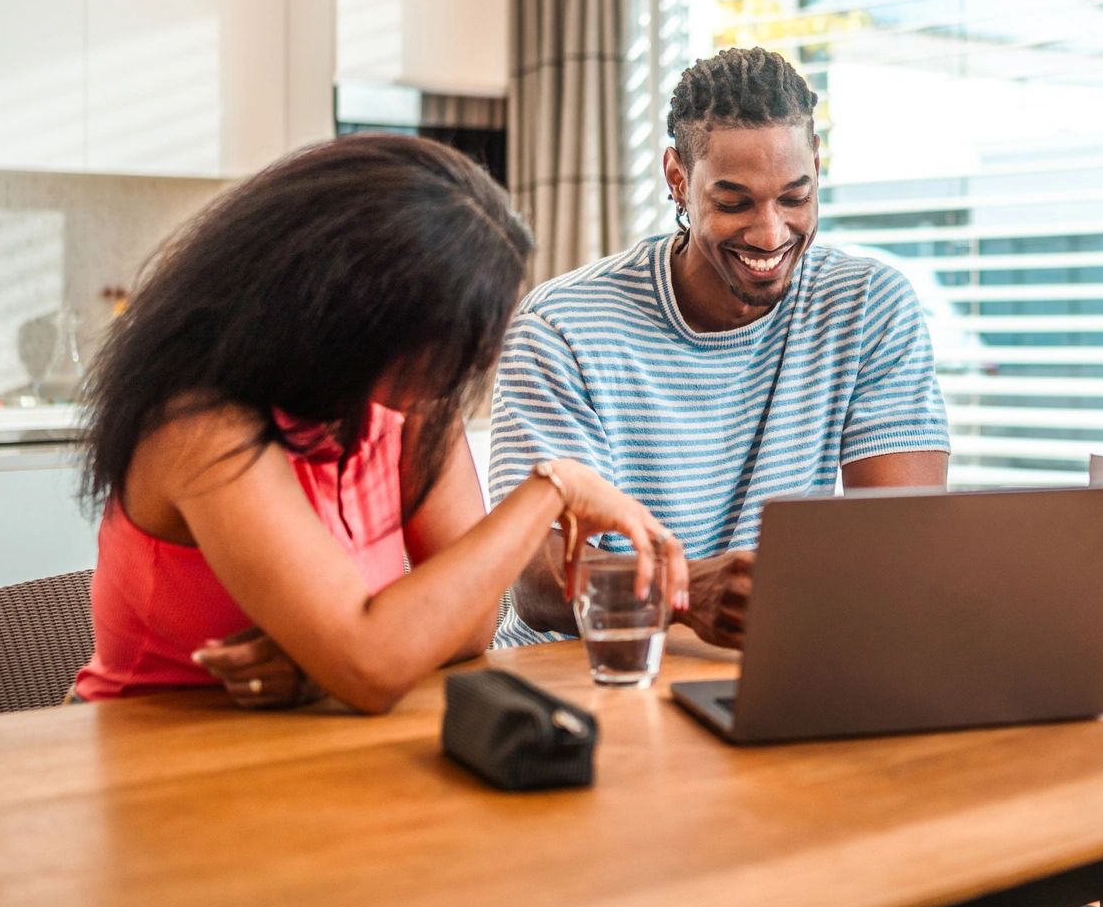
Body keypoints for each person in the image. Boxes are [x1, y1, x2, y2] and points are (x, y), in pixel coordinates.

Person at [71, 135, 684, 712]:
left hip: (306, 755)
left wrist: (322, 665)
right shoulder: (201, 428)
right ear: (345, 312)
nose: (457, 368)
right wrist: (555, 486)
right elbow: (371, 669)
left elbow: (469, 625)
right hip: (147, 755)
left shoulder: (410, 402)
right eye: (442, 338)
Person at [490, 46, 951, 650]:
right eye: (734, 203)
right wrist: (683, 595)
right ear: (678, 180)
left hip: (758, 662)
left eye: (794, 197)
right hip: (584, 673)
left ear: (817, 165)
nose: (770, 233)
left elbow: (903, 544)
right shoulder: (563, 325)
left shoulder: (867, 306)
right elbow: (534, 580)